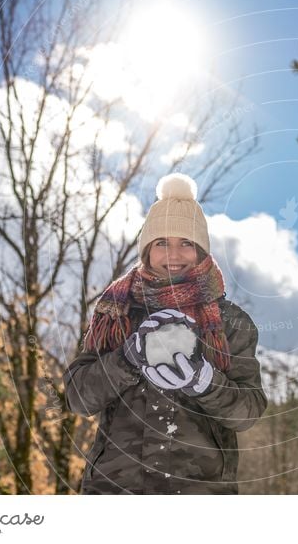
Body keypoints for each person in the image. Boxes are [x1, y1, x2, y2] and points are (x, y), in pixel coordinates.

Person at [63, 172, 268, 494]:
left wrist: (204, 382)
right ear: (147, 250)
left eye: (186, 243)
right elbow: (78, 399)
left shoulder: (231, 322)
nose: (174, 255)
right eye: (162, 243)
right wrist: (127, 358)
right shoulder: (115, 313)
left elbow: (247, 413)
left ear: (202, 251)